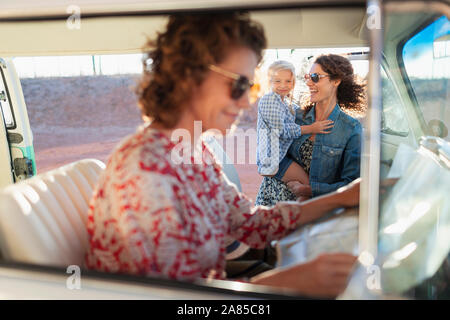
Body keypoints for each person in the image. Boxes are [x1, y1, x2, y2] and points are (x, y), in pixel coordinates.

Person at [85, 13, 358, 298]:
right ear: (189, 75)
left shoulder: (193, 150)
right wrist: (288, 282)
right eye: (240, 85)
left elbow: (249, 222)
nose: (245, 102)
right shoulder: (144, 169)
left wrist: (342, 197)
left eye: (252, 88)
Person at [256, 54, 365, 206]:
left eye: (315, 77)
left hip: (310, 211)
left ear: (336, 80)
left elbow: (351, 186)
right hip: (270, 201)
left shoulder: (351, 129)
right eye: (307, 77)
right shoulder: (295, 115)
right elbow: (271, 152)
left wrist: (309, 190)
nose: (308, 83)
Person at [256, 60, 334, 201]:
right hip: (274, 159)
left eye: (288, 81)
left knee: (301, 187)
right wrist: (311, 128)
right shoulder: (269, 100)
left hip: (280, 156)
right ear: (269, 81)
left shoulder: (283, 101)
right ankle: (298, 216)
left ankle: (296, 211)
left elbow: (295, 113)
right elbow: (281, 130)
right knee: (307, 186)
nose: (283, 85)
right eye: (277, 81)